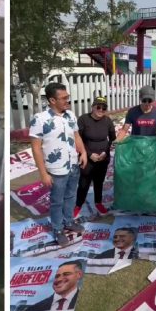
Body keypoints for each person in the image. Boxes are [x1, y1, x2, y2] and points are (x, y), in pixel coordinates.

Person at [29, 83, 87, 246]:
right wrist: (43, 173)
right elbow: (36, 147)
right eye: (63, 98)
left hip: (73, 166)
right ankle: (58, 229)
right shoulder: (40, 119)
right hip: (56, 170)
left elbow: (76, 136)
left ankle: (69, 222)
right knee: (57, 201)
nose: (67, 101)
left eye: (67, 97)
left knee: (70, 196)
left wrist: (83, 152)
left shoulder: (70, 116)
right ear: (52, 100)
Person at [74, 97, 115, 218]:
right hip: (87, 157)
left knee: (99, 182)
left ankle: (98, 202)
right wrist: (89, 154)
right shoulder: (83, 119)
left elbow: (112, 139)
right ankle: (78, 205)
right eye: (98, 107)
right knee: (83, 183)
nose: (101, 110)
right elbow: (78, 139)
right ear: (92, 107)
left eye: (104, 108)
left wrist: (105, 153)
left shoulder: (107, 121)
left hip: (103, 158)